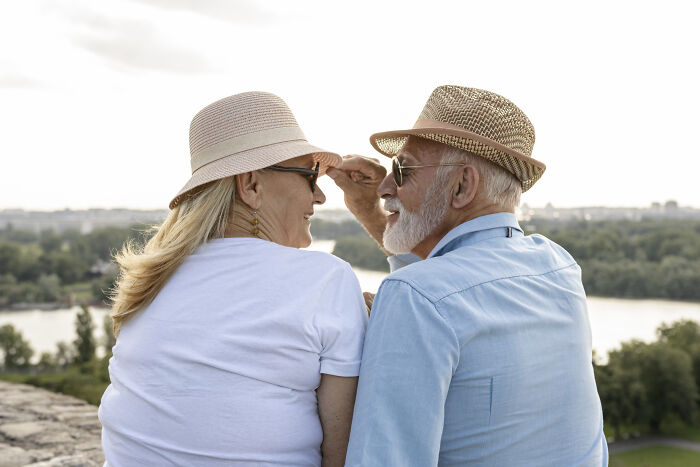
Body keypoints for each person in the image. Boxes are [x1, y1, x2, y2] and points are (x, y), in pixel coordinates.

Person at [327, 85, 608, 466]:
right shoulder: (558, 266)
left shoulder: (416, 298)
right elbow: (452, 279)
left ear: (462, 185)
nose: (384, 186)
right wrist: (367, 210)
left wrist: (399, 315)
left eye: (402, 170)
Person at [98, 91, 368, 466]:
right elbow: (342, 456)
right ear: (251, 185)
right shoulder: (325, 280)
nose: (320, 195)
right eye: (309, 175)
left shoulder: (152, 277)